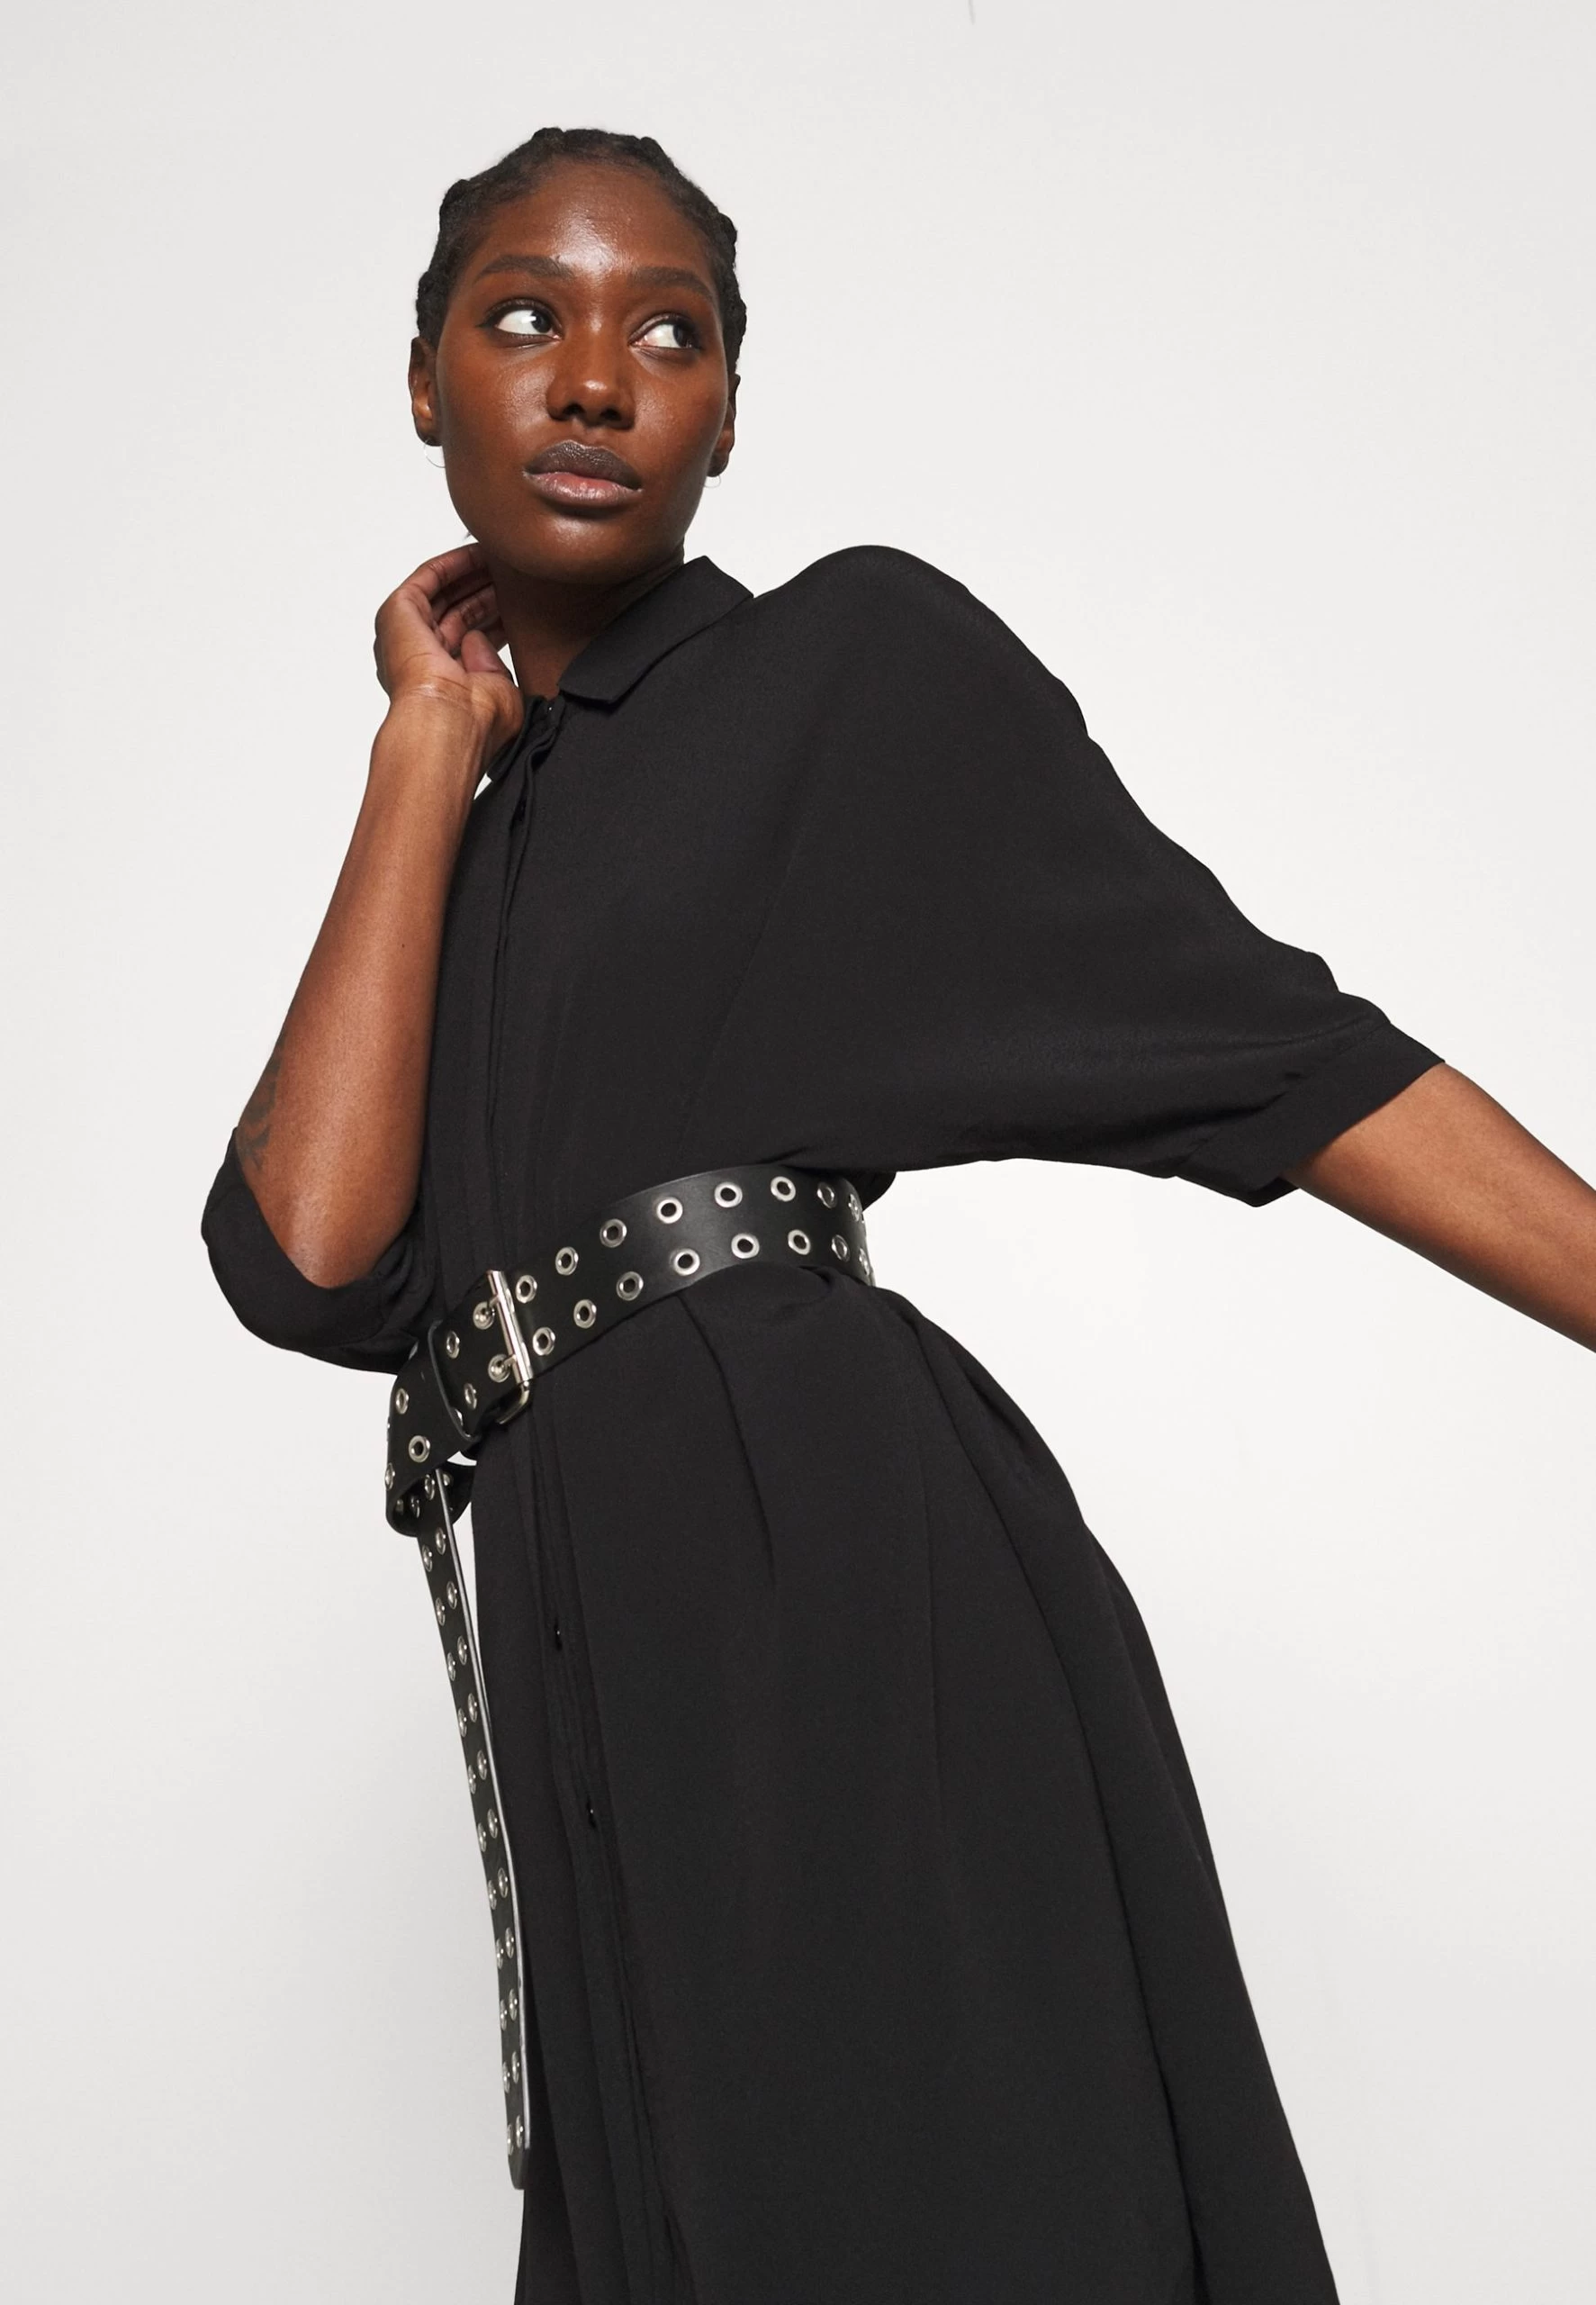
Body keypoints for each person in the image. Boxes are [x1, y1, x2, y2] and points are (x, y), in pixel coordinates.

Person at [202, 126, 1596, 2305]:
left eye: (670, 333)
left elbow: (1278, 1053)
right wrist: (417, 751)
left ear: (729, 412)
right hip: (600, 1685)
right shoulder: (453, 845)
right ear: (422, 379)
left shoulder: (848, 669)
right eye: (524, 317)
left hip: (835, 1595)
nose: (595, 378)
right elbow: (306, 1258)